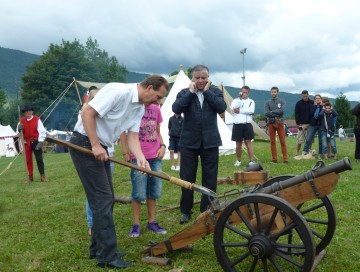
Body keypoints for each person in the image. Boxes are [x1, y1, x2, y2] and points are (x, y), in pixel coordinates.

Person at [69, 75, 168, 269]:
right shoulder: (118, 91)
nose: (158, 101)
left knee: (105, 198)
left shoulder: (140, 107)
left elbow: (132, 137)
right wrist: (95, 145)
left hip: (101, 147)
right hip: (85, 143)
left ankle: (97, 250)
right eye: (158, 96)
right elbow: (86, 113)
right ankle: (108, 256)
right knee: (103, 199)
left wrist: (141, 158)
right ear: (149, 88)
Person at [172, 64, 227, 224]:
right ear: (192, 78)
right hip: (188, 142)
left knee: (210, 177)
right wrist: (190, 92)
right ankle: (185, 210)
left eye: (204, 78)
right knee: (187, 178)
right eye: (198, 78)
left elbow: (221, 107)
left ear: (208, 78)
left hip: (210, 141)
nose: (201, 80)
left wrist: (207, 92)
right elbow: (176, 108)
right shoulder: (184, 92)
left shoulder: (214, 92)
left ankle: (207, 208)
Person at [120, 104, 167, 238]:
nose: (157, 99)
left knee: (154, 190)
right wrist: (125, 152)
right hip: (138, 157)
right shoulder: (133, 107)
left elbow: (157, 131)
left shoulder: (156, 108)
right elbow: (123, 131)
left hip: (155, 157)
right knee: (139, 191)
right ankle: (136, 224)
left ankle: (152, 222)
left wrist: (163, 146)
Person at [17, 105, 47, 182]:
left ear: (32, 111)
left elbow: (42, 131)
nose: (28, 112)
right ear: (24, 113)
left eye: (30, 111)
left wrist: (40, 142)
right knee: (28, 160)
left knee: (39, 159)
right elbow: (17, 134)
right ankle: (30, 176)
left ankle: (42, 175)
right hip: (26, 142)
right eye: (26, 111)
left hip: (36, 141)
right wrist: (19, 129)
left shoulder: (37, 119)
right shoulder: (21, 121)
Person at [231, 86, 255, 166]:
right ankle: (238, 160)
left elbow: (251, 111)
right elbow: (233, 108)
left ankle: (251, 161)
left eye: (246, 92)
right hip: (237, 124)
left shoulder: (251, 101)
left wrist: (240, 111)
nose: (244, 94)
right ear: (240, 92)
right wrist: (240, 99)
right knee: (238, 143)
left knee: (248, 142)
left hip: (247, 124)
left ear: (248, 93)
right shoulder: (235, 100)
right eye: (243, 92)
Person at [264, 87, 288, 163]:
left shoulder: (281, 101)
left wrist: (271, 112)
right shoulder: (267, 102)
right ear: (270, 93)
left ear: (277, 92)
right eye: (272, 92)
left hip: (280, 122)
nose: (273, 93)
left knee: (283, 141)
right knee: (272, 141)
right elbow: (266, 113)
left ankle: (285, 159)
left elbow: (281, 111)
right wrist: (275, 113)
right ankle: (274, 159)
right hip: (271, 123)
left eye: (275, 92)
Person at [302, 94, 324, 159]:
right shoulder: (311, 106)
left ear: (321, 99)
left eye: (319, 98)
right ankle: (305, 151)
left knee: (321, 140)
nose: (318, 99)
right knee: (309, 139)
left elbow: (321, 115)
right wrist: (317, 107)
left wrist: (321, 106)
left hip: (321, 125)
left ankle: (320, 153)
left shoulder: (323, 106)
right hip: (313, 125)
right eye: (316, 98)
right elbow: (311, 113)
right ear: (314, 100)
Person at [294, 90, 313, 156]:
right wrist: (298, 124)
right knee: (299, 140)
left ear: (308, 95)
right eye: (304, 96)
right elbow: (296, 114)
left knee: (310, 140)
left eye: (306, 96)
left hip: (311, 124)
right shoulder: (298, 103)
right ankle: (297, 152)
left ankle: (308, 152)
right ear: (301, 95)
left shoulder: (312, 102)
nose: (305, 97)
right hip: (302, 124)